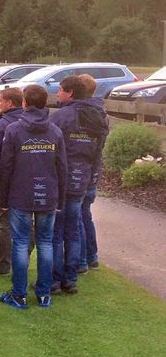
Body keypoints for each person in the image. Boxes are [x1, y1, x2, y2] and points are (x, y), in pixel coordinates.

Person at [0, 84, 66, 309]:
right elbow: (62, 168)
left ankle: (20, 295)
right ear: (45, 103)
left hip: (21, 195)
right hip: (47, 194)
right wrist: (59, 198)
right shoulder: (54, 131)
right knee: (45, 242)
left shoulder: (14, 130)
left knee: (21, 243)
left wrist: (4, 199)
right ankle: (43, 294)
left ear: (25, 103)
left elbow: (6, 167)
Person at [48, 75, 107, 295]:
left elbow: (50, 148)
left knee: (56, 231)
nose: (57, 93)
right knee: (73, 230)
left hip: (61, 181)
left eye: (60, 90)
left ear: (70, 93)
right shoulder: (97, 117)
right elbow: (97, 152)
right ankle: (70, 279)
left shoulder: (60, 117)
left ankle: (54, 280)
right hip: (82, 180)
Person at [0, 87, 24, 275]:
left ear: (9, 103)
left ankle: (3, 264)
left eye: (1, 100)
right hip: (26, 178)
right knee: (25, 220)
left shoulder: (1, 125)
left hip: (4, 178)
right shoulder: (28, 121)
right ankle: (22, 259)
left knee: (3, 221)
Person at [76, 73, 109, 273]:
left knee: (78, 215)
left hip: (80, 170)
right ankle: (92, 257)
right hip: (94, 168)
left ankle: (81, 260)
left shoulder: (82, 112)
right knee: (85, 213)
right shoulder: (101, 113)